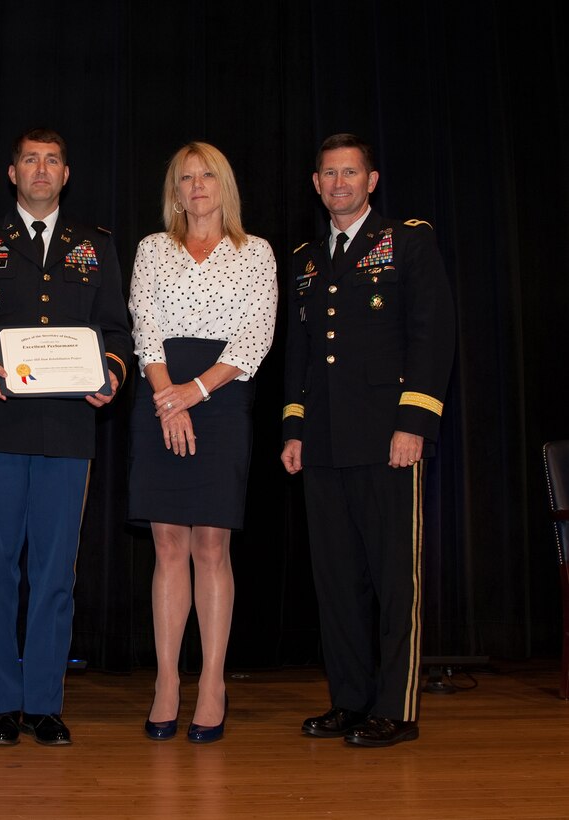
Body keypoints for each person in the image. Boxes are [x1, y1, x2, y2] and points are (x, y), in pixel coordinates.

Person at [0, 127, 132, 746]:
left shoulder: (95, 247)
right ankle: (0, 701)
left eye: (52, 161)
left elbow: (117, 332)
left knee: (54, 572)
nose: (41, 170)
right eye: (29, 160)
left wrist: (113, 375)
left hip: (67, 428)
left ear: (65, 175)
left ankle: (43, 701)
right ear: (12, 173)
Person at [281, 133, 455, 747]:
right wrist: (294, 427)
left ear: (372, 180)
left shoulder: (407, 242)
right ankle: (350, 701)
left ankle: (396, 708)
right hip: (325, 442)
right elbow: (301, 354)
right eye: (329, 174)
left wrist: (415, 423)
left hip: (389, 439)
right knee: (337, 579)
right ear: (316, 183)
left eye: (351, 173)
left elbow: (432, 337)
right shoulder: (305, 258)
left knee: (393, 578)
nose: (340, 184)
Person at [129, 142, 278, 744]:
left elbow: (254, 338)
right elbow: (146, 328)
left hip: (220, 398)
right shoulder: (151, 249)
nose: (196, 187)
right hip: (159, 392)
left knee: (211, 547)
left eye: (207, 176)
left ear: (225, 186)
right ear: (174, 190)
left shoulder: (256, 253)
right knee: (168, 545)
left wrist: (193, 394)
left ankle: (212, 683)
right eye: (185, 178)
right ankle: (168, 682)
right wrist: (169, 398)